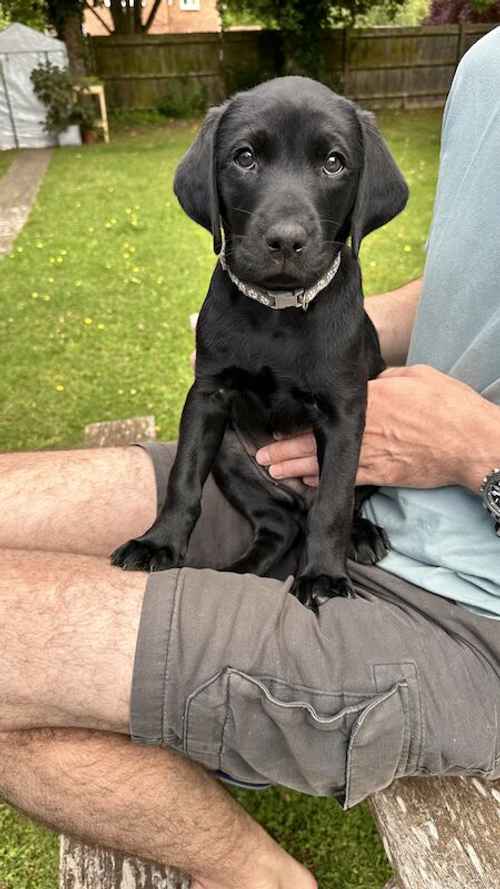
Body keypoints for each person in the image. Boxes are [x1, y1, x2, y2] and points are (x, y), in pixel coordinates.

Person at [1, 26, 500, 889]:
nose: (285, 210)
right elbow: (473, 282)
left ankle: (261, 876)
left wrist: (474, 447)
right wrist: (323, 328)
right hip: (294, 466)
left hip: (461, 609)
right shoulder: (486, 65)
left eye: (329, 167)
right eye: (251, 164)